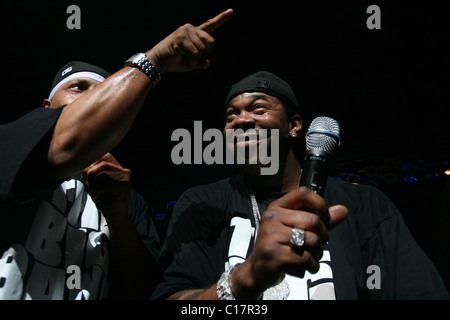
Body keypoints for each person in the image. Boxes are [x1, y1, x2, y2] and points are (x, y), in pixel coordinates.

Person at [151, 71, 450, 300]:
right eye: (231, 114)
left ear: (294, 126)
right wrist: (243, 280)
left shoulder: (363, 204)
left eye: (258, 109)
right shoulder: (202, 203)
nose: (240, 120)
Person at [0, 9, 234, 299]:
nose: (90, 98)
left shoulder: (126, 197)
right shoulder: (10, 143)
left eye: (102, 92)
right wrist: (156, 59)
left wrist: (118, 217)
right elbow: (65, 145)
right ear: (47, 106)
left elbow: (142, 290)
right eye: (77, 88)